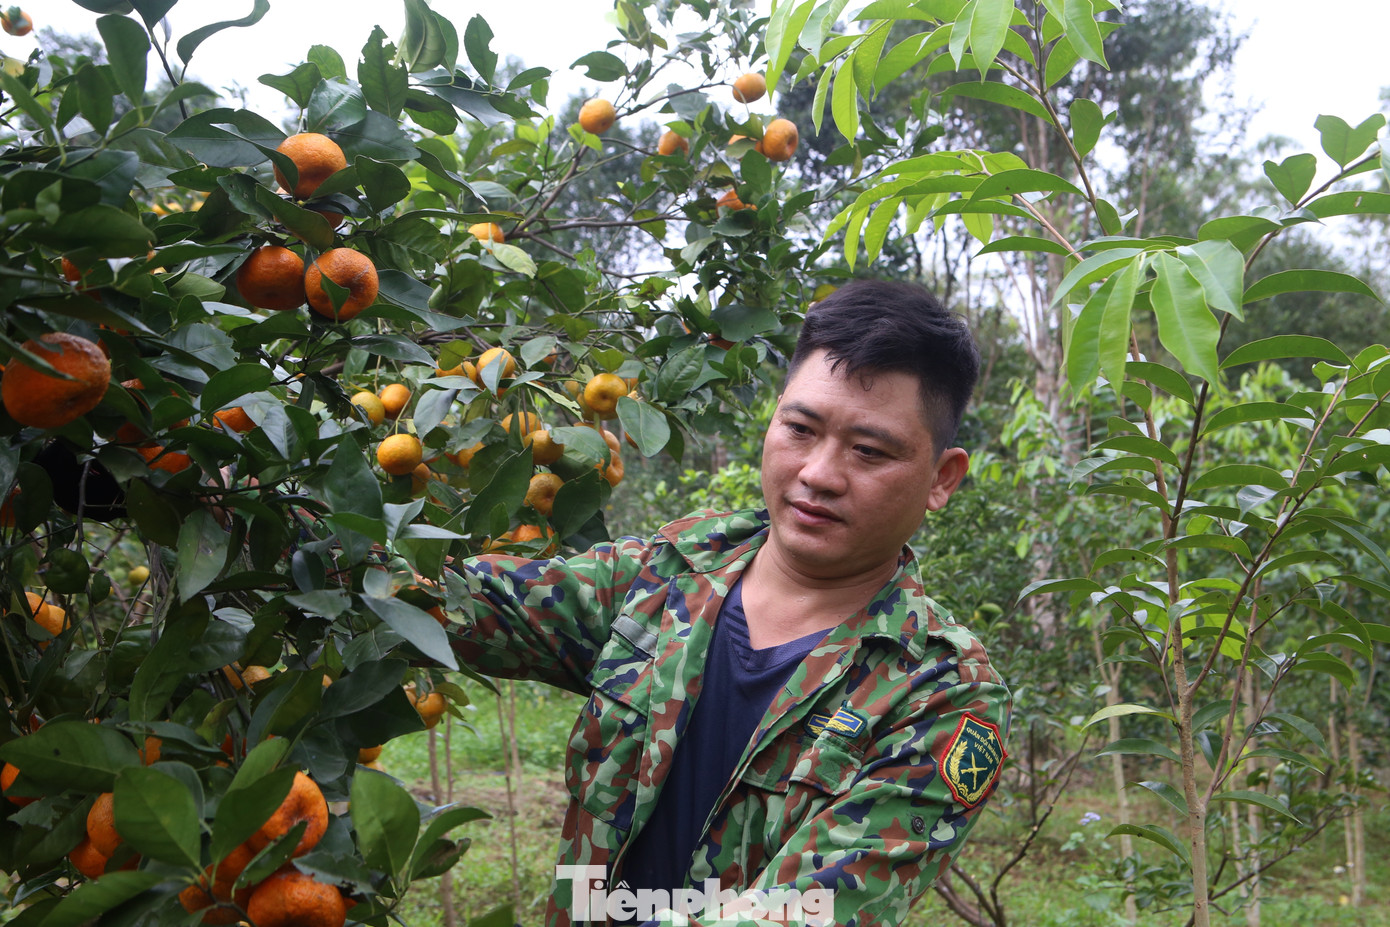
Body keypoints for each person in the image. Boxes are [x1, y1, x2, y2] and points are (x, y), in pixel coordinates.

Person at [449, 279, 1011, 926]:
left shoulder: (941, 692)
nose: (819, 473)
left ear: (942, 477)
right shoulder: (665, 574)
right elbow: (464, 604)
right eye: (800, 428)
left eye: (869, 451)